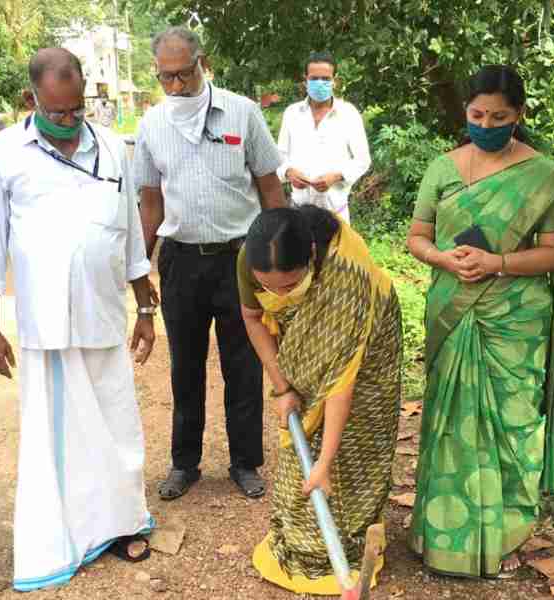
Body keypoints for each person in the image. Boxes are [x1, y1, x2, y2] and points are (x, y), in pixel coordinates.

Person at [0, 48, 156, 591]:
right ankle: (61, 536)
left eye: (78, 109)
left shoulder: (110, 148)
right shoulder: (3, 153)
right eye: (58, 112)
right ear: (32, 100)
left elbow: (129, 236)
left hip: (103, 311)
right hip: (46, 323)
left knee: (117, 421)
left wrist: (145, 306)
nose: (71, 120)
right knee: (55, 435)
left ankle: (122, 522)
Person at [405, 65, 554, 578]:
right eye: (476, 114)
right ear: (465, 112)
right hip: (454, 305)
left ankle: (508, 534)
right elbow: (417, 237)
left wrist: (497, 263)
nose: (485, 123)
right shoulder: (443, 168)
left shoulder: (543, 176)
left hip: (515, 316)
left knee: (514, 426)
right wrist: (446, 260)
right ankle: (442, 536)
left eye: (499, 116)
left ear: (519, 116)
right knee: (448, 423)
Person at [134, 26, 288, 500]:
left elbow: (269, 189)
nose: (177, 86)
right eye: (167, 78)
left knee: (243, 362)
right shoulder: (152, 125)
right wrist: (140, 268)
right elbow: (150, 203)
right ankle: (185, 463)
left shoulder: (242, 113)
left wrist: (279, 259)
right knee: (186, 364)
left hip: (240, 259)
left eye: (185, 74)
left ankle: (245, 463)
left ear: (203, 63)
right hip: (181, 260)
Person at [239, 206, 402, 595]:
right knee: (303, 446)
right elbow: (251, 316)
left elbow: (340, 385)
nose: (279, 295)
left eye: (289, 285)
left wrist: (324, 465)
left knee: (357, 437)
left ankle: (357, 538)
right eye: (270, 287)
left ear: (311, 255)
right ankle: (307, 544)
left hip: (369, 341)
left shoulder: (346, 280)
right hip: (304, 352)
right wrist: (283, 387)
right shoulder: (250, 257)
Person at [276, 51, 371, 222]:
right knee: (298, 249)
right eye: (314, 78)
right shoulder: (292, 113)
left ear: (335, 81)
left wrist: (336, 176)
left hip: (335, 213)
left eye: (325, 79)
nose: (319, 83)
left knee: (337, 250)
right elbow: (279, 156)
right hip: (299, 212)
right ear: (305, 81)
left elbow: (363, 160)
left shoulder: (348, 113)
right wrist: (289, 172)